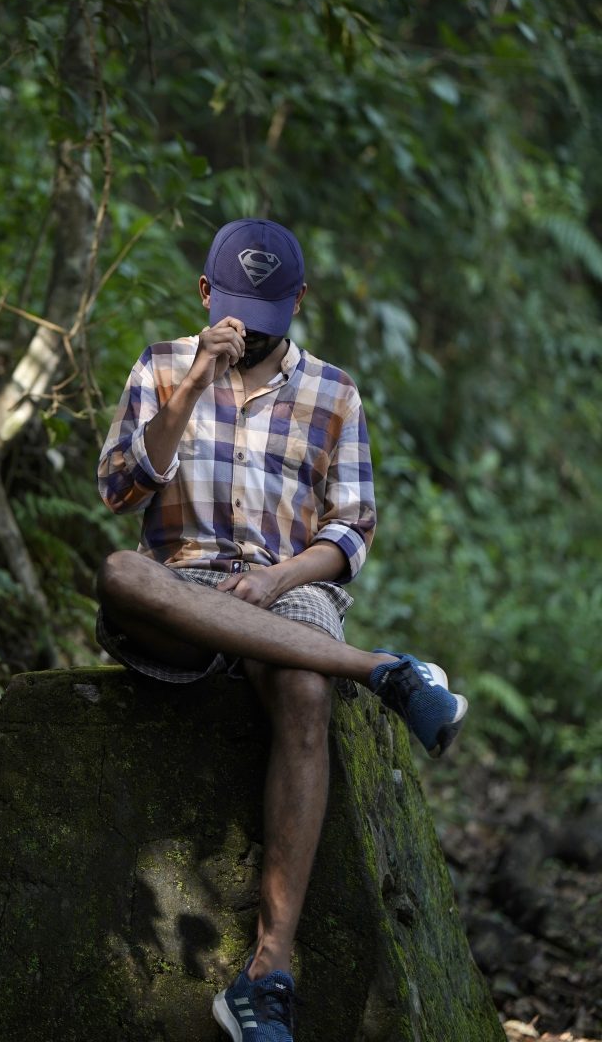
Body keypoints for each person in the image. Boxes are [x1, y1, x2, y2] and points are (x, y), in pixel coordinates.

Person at [95, 218, 467, 1042]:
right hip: (182, 586)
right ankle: (383, 670)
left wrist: (278, 577)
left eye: (268, 309)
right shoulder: (162, 366)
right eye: (234, 307)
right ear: (204, 296)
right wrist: (193, 381)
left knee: (304, 687)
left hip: (289, 587)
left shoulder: (334, 393)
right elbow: (120, 490)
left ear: (297, 300)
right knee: (120, 573)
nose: (251, 326)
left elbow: (351, 532)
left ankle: (268, 973)